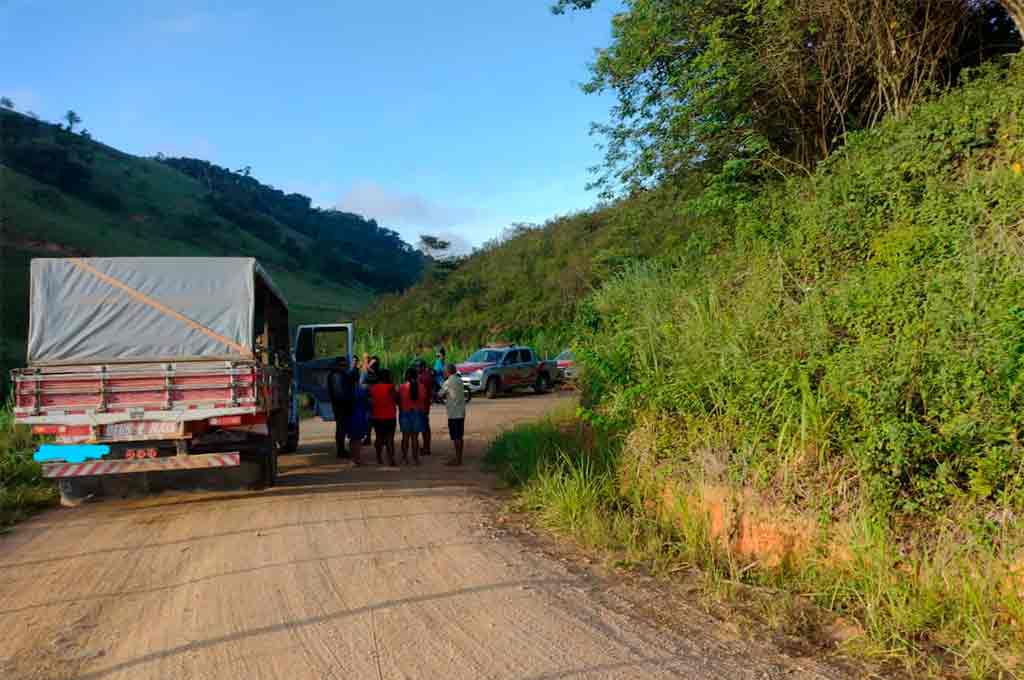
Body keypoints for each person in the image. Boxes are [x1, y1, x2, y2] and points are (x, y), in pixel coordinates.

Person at [438, 363, 467, 466]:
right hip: (461, 412)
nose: (443, 374)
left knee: (456, 437)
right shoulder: (459, 380)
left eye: (444, 372)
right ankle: (459, 457)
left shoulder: (448, 382)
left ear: (448, 372)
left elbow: (440, 394)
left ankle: (458, 459)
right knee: (460, 436)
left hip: (453, 413)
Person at [368, 369, 398, 466]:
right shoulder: (391, 387)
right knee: (390, 439)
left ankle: (379, 458)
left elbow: (370, 402)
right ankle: (391, 459)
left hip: (377, 416)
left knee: (379, 438)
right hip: (390, 416)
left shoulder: (373, 388)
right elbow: (396, 399)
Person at [327, 356, 355, 459]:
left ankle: (341, 450)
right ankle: (341, 451)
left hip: (340, 405)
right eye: (343, 365)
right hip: (340, 406)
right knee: (341, 428)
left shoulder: (338, 374)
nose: (345, 367)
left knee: (341, 427)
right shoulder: (336, 375)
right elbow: (339, 393)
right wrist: (347, 402)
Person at [398, 367, 423, 465]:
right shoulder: (421, 387)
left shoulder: (402, 387)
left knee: (405, 437)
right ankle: (416, 459)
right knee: (415, 438)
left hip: (405, 413)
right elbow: (423, 399)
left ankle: (404, 458)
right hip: (417, 413)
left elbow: (399, 400)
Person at [348, 378, 369, 465]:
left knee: (353, 439)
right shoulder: (361, 390)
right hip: (359, 416)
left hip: (350, 416)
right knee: (357, 439)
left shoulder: (347, 390)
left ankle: (353, 458)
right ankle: (357, 459)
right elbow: (367, 403)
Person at [417, 359, 434, 456]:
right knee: (425, 427)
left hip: (422, 405)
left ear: (423, 367)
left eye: (418, 366)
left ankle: (426, 448)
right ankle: (427, 447)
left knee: (424, 428)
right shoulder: (428, 375)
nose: (417, 368)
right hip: (425, 405)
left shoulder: (422, 377)